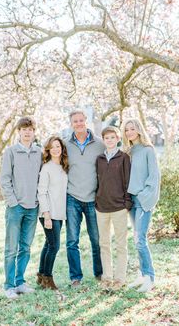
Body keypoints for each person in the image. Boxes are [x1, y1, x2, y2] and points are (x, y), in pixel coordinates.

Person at [0, 117, 42, 299]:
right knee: (11, 248)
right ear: (19, 132)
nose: (27, 132)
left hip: (33, 208)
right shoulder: (11, 152)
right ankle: (9, 286)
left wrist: (39, 202)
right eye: (24, 129)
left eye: (30, 129)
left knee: (25, 247)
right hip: (15, 208)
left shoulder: (39, 152)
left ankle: (20, 282)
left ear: (34, 132)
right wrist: (13, 202)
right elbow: (4, 179)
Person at [65, 110, 105, 287]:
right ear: (71, 123)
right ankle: (76, 277)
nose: (79, 123)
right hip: (72, 197)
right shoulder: (65, 145)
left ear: (86, 121)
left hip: (93, 198)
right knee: (72, 241)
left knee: (96, 240)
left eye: (81, 120)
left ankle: (100, 273)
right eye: (75, 121)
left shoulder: (100, 144)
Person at [122, 118, 160, 293]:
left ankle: (149, 278)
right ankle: (141, 275)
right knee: (136, 239)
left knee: (140, 240)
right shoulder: (128, 152)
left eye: (132, 129)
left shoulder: (148, 150)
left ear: (138, 130)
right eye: (127, 129)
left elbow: (154, 177)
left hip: (143, 201)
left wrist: (145, 197)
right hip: (131, 201)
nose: (129, 132)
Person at [95, 126, 132, 290]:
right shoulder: (99, 159)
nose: (109, 140)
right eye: (106, 138)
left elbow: (128, 181)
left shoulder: (123, 157)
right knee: (104, 244)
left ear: (118, 139)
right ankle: (107, 277)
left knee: (121, 244)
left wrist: (127, 203)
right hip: (101, 208)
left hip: (119, 208)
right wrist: (97, 199)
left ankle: (120, 278)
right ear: (103, 140)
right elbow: (98, 182)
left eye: (112, 137)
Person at [36, 136, 68, 291]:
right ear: (48, 150)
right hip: (49, 213)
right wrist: (46, 215)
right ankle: (48, 278)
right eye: (52, 147)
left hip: (59, 212)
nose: (56, 149)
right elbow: (41, 193)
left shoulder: (63, 166)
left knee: (48, 244)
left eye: (58, 146)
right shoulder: (46, 168)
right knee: (54, 246)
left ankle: (41, 275)